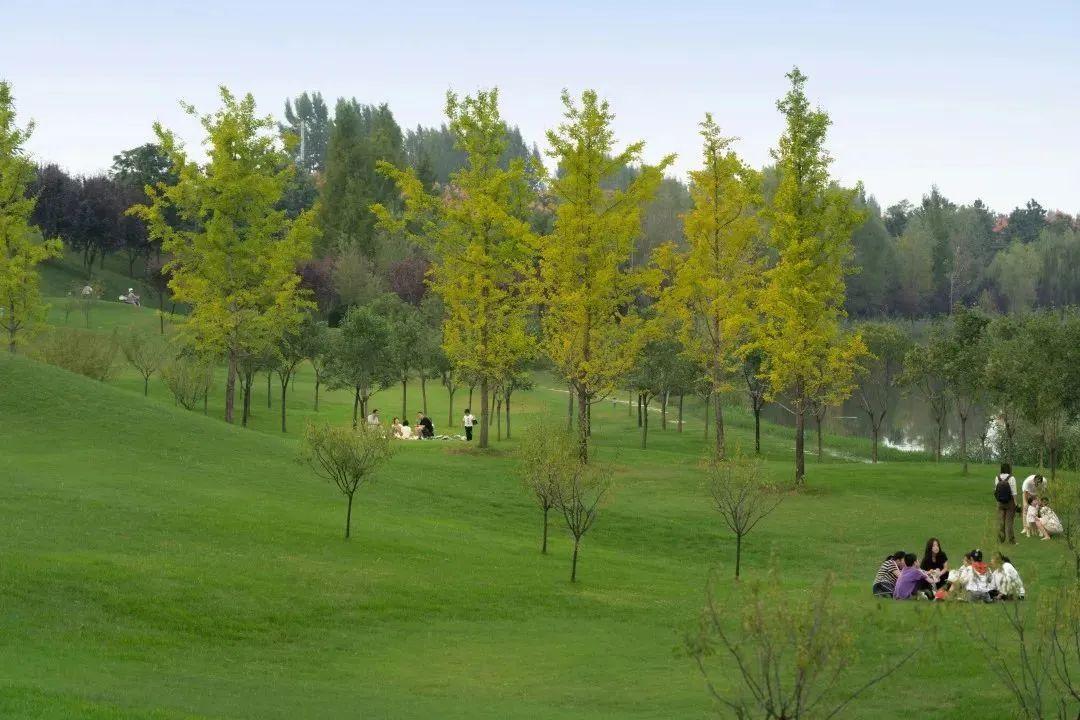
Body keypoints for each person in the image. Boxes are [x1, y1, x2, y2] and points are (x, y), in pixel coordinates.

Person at [993, 463, 1018, 544]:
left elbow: (996, 490)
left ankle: (1001, 539)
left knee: (1001, 521)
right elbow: (1014, 492)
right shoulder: (1011, 478)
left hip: (1000, 502)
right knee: (1009, 522)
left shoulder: (997, 477)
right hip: (1010, 502)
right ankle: (1011, 540)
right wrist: (1016, 503)